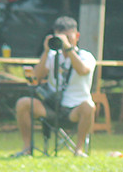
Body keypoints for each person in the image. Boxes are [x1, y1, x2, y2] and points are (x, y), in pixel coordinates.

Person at [11, 16, 97, 157]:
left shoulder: (86, 56)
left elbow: (82, 70)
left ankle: (79, 150)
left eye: (68, 37)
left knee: (89, 107)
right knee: (23, 103)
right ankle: (27, 148)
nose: (64, 41)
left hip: (75, 109)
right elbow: (36, 77)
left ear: (77, 36)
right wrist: (45, 51)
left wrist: (69, 49)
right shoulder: (52, 56)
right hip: (52, 106)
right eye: (61, 38)